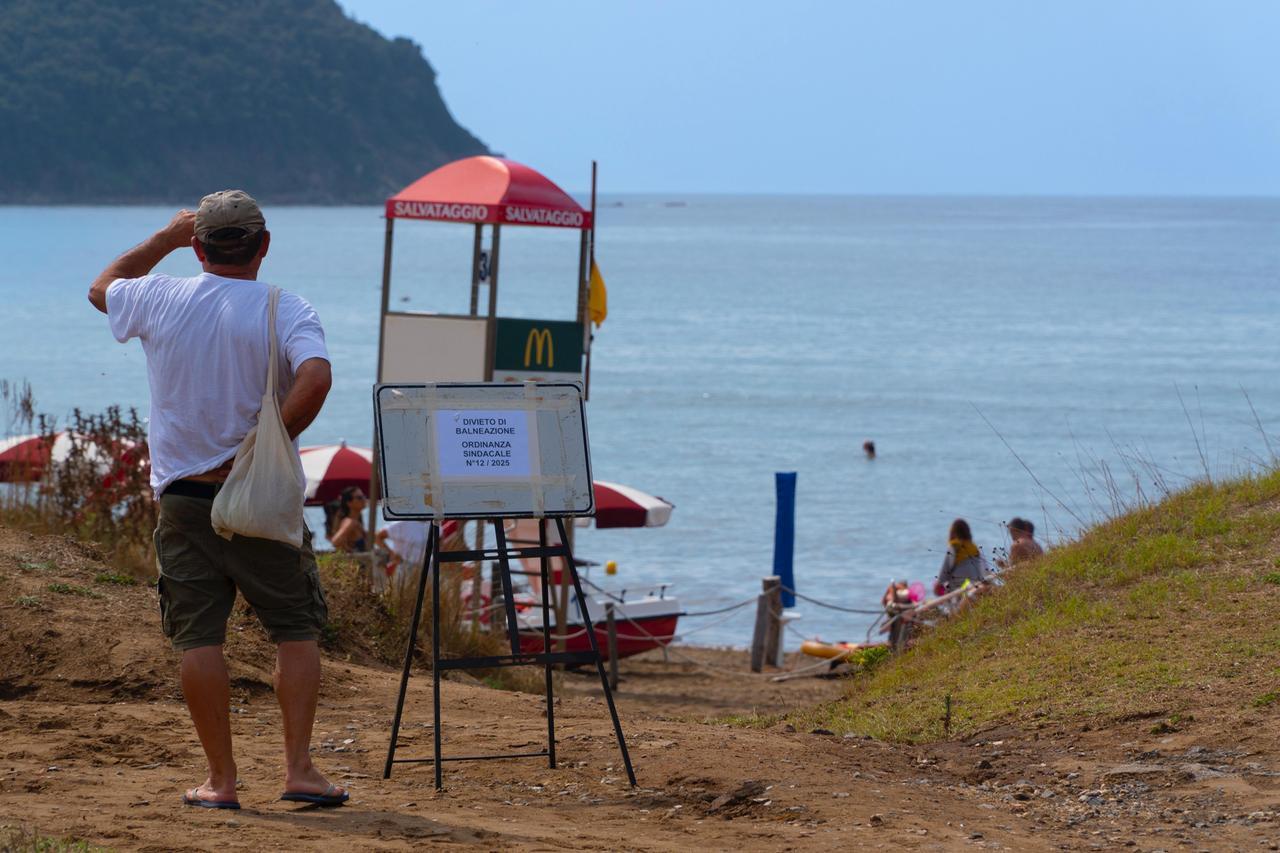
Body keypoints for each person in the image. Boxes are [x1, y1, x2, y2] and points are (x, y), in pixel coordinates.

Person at [88, 191, 347, 809]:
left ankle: (222, 781)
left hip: (183, 497)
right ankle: (300, 771)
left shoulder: (158, 295)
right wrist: (268, 440)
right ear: (263, 244)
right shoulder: (286, 307)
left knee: (199, 638)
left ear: (198, 247)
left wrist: (164, 239)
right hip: (257, 492)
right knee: (293, 628)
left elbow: (103, 288)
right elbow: (316, 377)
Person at [934, 518, 991, 594]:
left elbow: (943, 576)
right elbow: (982, 571)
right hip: (974, 586)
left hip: (958, 590)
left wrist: (937, 587)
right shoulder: (974, 548)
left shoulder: (954, 547)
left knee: (939, 588)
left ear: (953, 532)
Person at [324, 486, 368, 552]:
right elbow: (335, 541)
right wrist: (349, 551)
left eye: (364, 496)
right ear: (349, 503)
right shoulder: (350, 522)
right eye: (359, 498)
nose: (364, 499)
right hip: (355, 561)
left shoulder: (355, 522)